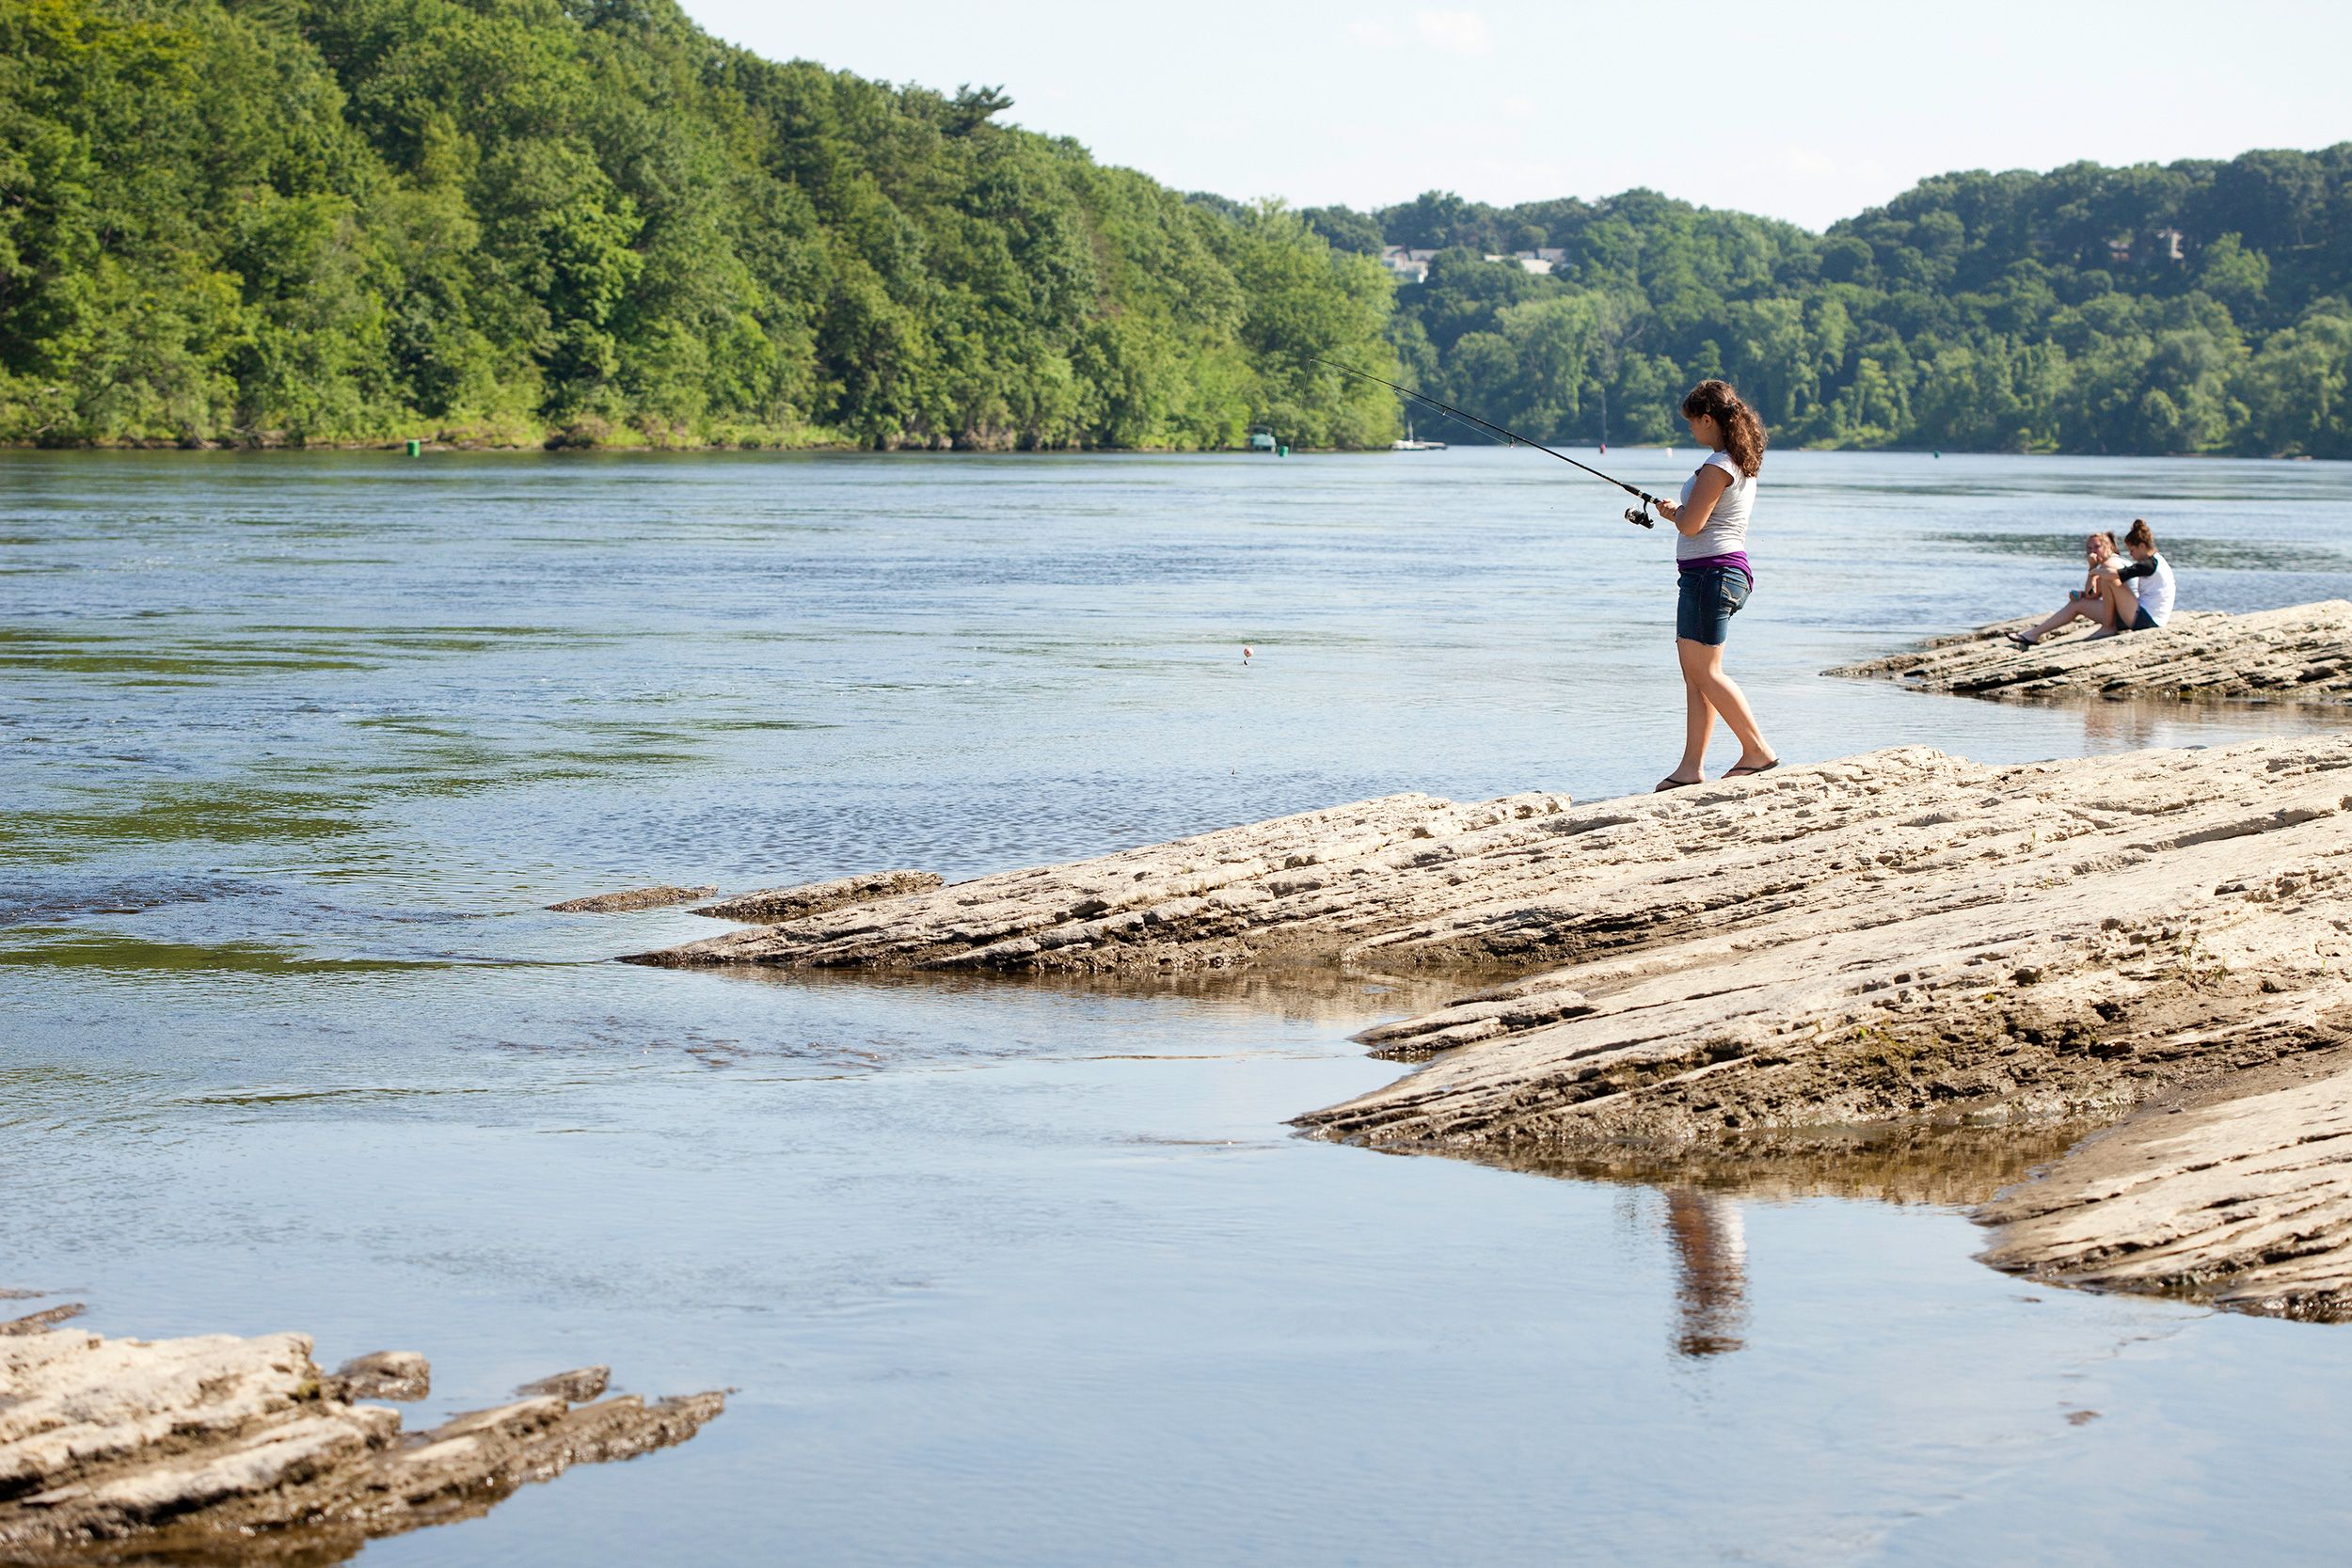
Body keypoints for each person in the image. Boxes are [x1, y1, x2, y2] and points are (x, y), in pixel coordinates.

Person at [1653, 379, 1776, 790]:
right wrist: (1681, 512)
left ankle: (1756, 750)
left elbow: (1692, 524)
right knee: (1697, 675)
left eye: (1693, 422)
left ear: (1708, 419)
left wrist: (1673, 512)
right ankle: (1691, 769)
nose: (1690, 430)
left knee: (1705, 672)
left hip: (1713, 574)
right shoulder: (1736, 461)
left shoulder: (1719, 465)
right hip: (1711, 575)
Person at [2007, 520, 2171, 646]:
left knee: (2108, 578)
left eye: (2097, 547)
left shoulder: (2116, 564)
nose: (2093, 551)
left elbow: (2110, 581)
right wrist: (2088, 582)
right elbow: (2093, 595)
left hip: (2145, 619)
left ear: (2109, 547)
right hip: (2130, 615)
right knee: (2078, 604)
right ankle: (2032, 635)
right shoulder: (2116, 565)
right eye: (2089, 548)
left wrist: (2093, 571)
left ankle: (2108, 627)